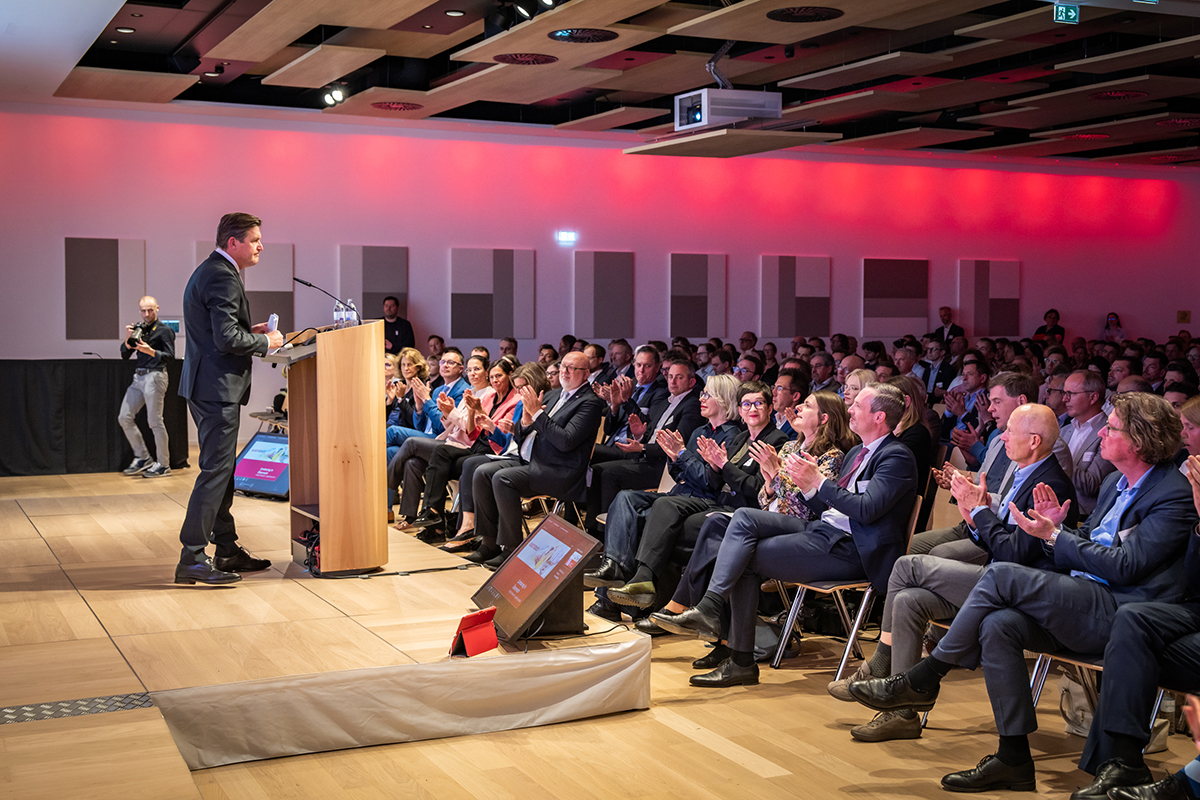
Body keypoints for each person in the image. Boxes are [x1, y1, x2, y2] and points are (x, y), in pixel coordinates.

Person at [848, 392, 1197, 794]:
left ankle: (925, 676)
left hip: (1124, 611)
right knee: (1000, 624)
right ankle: (1012, 757)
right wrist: (1055, 531)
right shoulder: (1113, 483)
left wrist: (1056, 536)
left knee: (998, 575)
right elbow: (1087, 541)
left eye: (1112, 427)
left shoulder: (1173, 492)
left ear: (1139, 439)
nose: (1102, 432)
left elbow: (1126, 565)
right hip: (1084, 596)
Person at [831, 404, 1078, 743]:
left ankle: (881, 667)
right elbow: (995, 541)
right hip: (996, 578)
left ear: (1034, 441)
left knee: (906, 565)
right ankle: (902, 714)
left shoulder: (1049, 484)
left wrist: (979, 511)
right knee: (908, 600)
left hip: (1019, 591)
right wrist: (974, 518)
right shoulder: (1025, 473)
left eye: (1010, 431)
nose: (1003, 437)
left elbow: (1015, 554)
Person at [655, 382, 919, 687]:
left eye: (858, 406)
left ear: (879, 417)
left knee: (743, 556)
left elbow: (867, 510)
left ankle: (738, 657)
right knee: (742, 518)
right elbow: (827, 508)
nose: (850, 410)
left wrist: (818, 482)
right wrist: (806, 486)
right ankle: (711, 608)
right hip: (823, 529)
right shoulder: (858, 452)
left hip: (853, 549)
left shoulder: (896, 457)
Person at [175, 213, 284, 585]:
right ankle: (192, 557)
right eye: (254, 240)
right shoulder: (222, 275)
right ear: (233, 242)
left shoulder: (212, 270)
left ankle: (226, 549)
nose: (261, 246)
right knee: (215, 472)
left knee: (222, 472)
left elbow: (219, 332)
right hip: (216, 388)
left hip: (207, 385)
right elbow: (226, 340)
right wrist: (265, 341)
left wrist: (247, 331)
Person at [467, 350, 604, 568]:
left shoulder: (590, 403)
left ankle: (511, 548)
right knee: (482, 472)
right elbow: (524, 435)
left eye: (572, 368)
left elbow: (566, 441)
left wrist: (537, 415)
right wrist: (524, 422)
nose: (565, 372)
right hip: (533, 460)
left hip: (560, 470)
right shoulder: (552, 395)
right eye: (563, 367)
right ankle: (489, 543)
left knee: (503, 478)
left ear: (586, 373)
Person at [118, 294, 176, 478]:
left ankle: (163, 465)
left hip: (155, 375)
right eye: (143, 311)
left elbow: (170, 357)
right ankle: (143, 457)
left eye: (150, 310)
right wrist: (128, 340)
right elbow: (124, 355)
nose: (147, 314)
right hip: (139, 377)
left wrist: (150, 351)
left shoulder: (165, 330)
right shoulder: (139, 329)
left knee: (155, 421)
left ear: (157, 309)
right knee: (124, 417)